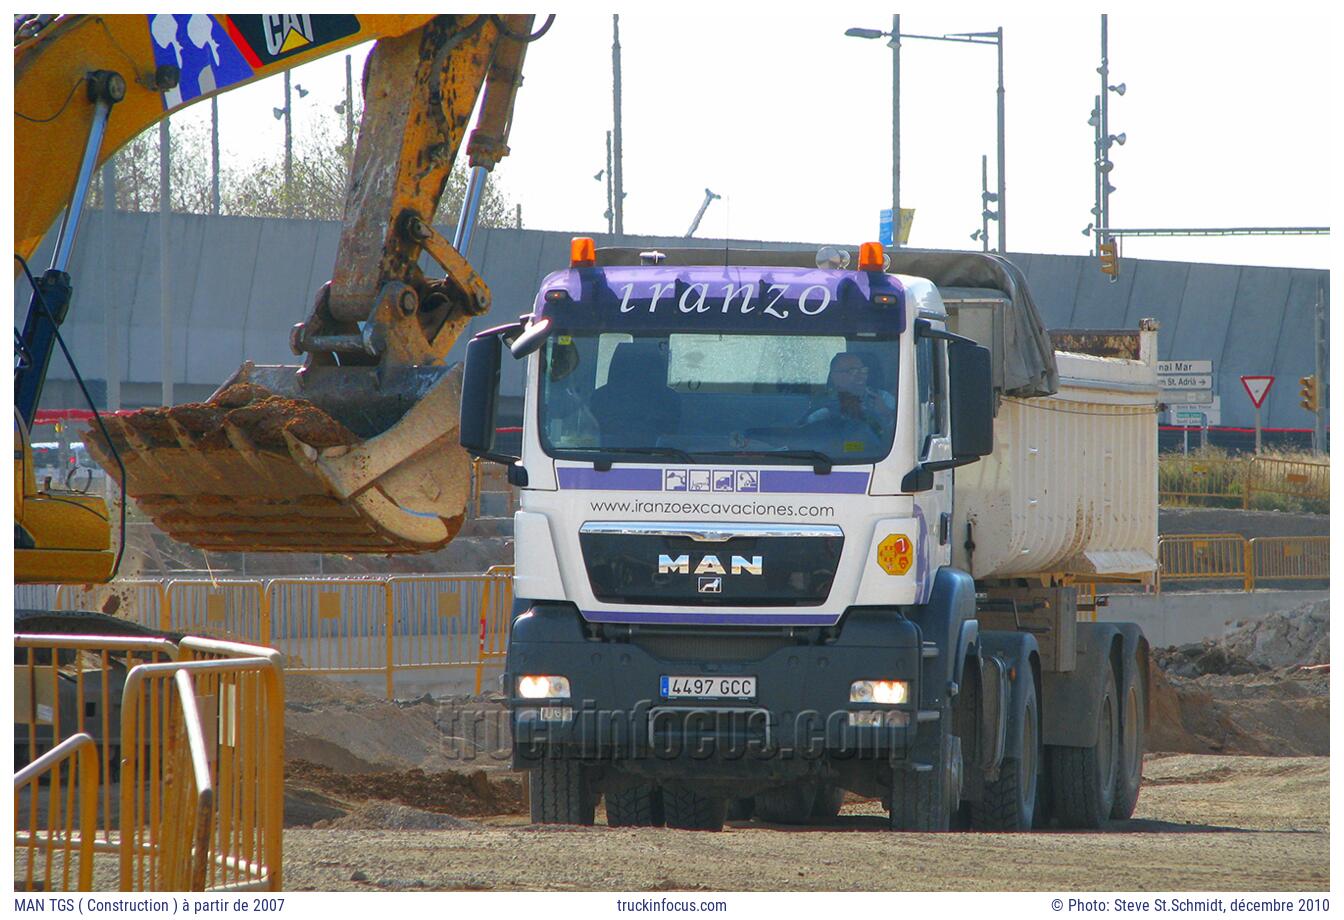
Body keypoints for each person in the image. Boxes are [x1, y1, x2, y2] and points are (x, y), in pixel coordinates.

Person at [801, 352, 896, 439]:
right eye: (853, 371)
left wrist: (886, 413)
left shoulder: (883, 398)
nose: (860, 375)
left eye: (863, 370)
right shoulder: (821, 404)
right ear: (835, 376)